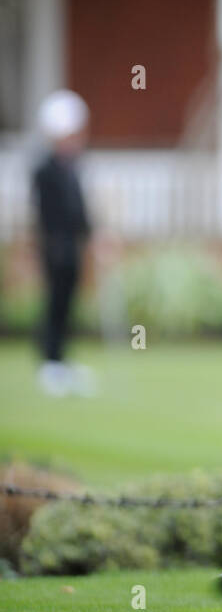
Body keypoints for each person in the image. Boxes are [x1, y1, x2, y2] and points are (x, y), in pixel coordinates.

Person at [32, 90, 97, 397]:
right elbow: (49, 214)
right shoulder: (45, 170)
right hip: (56, 247)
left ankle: (62, 359)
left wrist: (93, 235)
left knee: (69, 302)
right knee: (55, 303)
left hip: (73, 246)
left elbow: (79, 210)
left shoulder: (72, 167)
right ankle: (50, 362)